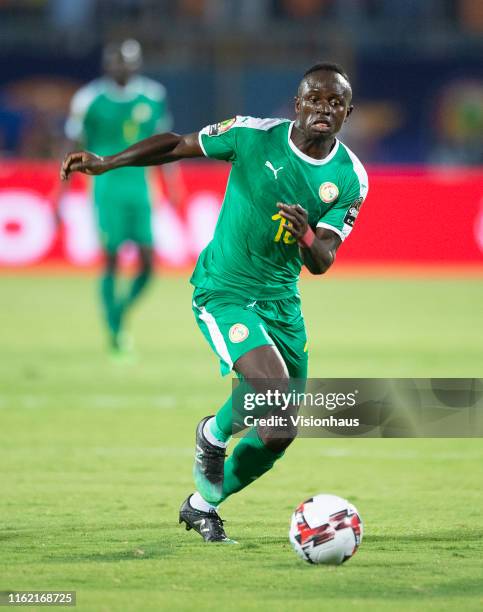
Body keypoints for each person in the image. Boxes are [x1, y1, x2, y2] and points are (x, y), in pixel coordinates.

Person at [61, 62, 368, 542]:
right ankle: (216, 432)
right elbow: (177, 144)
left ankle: (202, 503)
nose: (323, 109)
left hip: (282, 304)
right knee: (272, 389)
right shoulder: (251, 136)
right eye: (315, 99)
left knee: (279, 433)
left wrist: (306, 233)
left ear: (348, 112)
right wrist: (109, 161)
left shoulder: (350, 177)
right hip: (224, 290)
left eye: (335, 103)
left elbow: (323, 259)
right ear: (298, 104)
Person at [64, 39, 175, 353]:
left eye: (127, 62)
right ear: (107, 64)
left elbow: (166, 145)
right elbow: (71, 146)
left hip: (141, 186)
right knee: (111, 258)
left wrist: (173, 185)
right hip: (106, 187)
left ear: (137, 64)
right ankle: (114, 328)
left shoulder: (153, 96)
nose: (122, 68)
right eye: (117, 62)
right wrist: (60, 192)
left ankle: (118, 311)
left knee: (149, 263)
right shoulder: (89, 99)